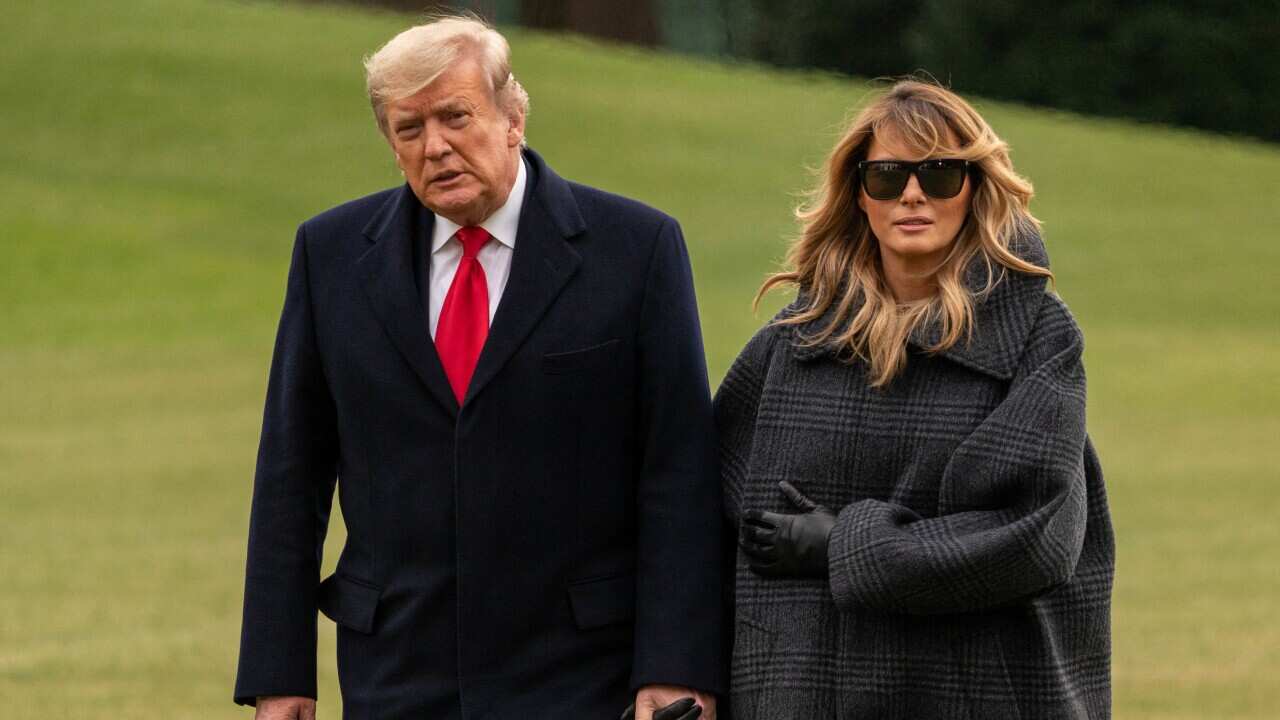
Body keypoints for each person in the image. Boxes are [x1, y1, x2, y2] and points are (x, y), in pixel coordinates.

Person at [233, 16, 724, 720]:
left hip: (581, 676)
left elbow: (678, 472)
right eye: (410, 129)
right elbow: (290, 477)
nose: (436, 146)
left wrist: (677, 668)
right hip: (395, 673)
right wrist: (280, 677)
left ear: (513, 116)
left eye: (455, 116)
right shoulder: (329, 256)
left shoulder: (637, 251)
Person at [714, 80, 1114, 719]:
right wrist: (682, 678)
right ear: (860, 196)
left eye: (939, 174)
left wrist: (844, 545)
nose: (911, 193)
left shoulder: (1038, 337)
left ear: (976, 190)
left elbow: (1033, 537)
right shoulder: (790, 344)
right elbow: (705, 524)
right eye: (887, 176)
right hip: (799, 695)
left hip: (980, 697)